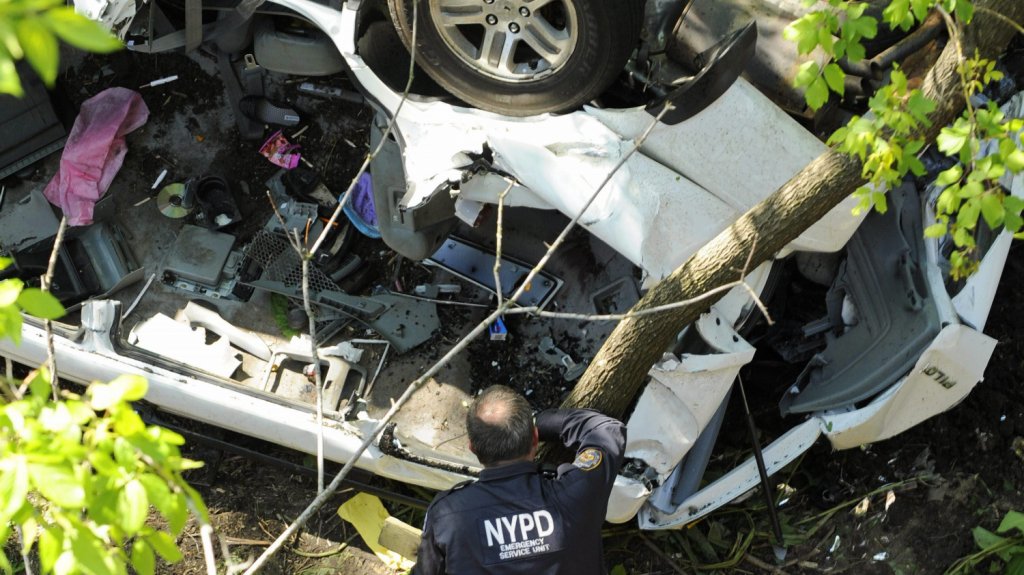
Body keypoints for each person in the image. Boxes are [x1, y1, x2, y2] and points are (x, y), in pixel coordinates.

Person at [413, 384, 627, 574]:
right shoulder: (576, 493)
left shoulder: (447, 515)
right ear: (534, 438)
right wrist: (541, 422)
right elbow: (605, 429)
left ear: (473, 449)